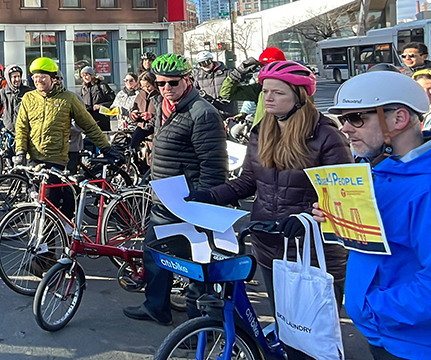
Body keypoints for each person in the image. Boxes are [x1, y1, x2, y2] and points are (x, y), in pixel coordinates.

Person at [186, 62, 350, 356]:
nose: (268, 98)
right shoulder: (262, 130)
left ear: (300, 95)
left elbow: (342, 194)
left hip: (311, 251)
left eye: (278, 92)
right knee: (286, 328)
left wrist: (305, 217)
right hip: (268, 244)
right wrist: (209, 195)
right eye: (265, 91)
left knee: (314, 337)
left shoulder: (326, 136)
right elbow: (248, 182)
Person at [308, 71, 431, 360]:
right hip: (384, 333)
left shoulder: (424, 188)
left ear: (399, 119)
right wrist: (338, 222)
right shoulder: (378, 170)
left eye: (357, 118)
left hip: (413, 343)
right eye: (343, 119)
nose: (346, 128)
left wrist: (374, 307)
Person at [124, 53, 227, 326]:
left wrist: (202, 202)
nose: (166, 88)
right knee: (154, 255)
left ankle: (198, 327)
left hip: (189, 201)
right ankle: (156, 307)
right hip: (164, 196)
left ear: (187, 80)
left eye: (173, 82)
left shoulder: (202, 113)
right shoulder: (164, 107)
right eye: (160, 83)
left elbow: (214, 166)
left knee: (194, 265)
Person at [15, 58, 119, 218]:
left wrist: (106, 148)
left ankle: (53, 238)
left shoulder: (68, 98)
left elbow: (89, 125)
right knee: (38, 202)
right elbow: (21, 127)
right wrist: (20, 151)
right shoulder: (29, 98)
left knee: (51, 201)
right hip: (34, 159)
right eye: (34, 77)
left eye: (42, 76)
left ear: (53, 78)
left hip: (56, 159)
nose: (38, 80)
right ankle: (47, 237)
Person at [220, 47, 287, 128]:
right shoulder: (259, 89)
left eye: (270, 66)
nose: (267, 71)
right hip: (263, 134)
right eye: (263, 66)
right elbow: (226, 94)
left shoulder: (293, 87)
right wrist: (237, 74)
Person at [0, 64, 32, 134]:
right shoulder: (3, 92)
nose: (17, 79)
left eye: (19, 76)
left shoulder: (28, 92)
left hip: (25, 131)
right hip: (8, 131)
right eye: (14, 77)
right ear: (8, 78)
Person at [193, 51, 236, 117]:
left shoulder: (226, 72)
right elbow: (195, 92)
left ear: (212, 60)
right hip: (210, 111)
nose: (206, 65)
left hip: (228, 110)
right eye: (202, 63)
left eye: (208, 62)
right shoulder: (198, 77)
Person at [76, 66, 115, 132]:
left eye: (86, 75)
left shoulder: (101, 85)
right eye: (83, 76)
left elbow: (112, 100)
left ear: (92, 75)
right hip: (88, 120)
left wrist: (101, 106)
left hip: (101, 119)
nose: (85, 78)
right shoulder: (83, 88)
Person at [129, 72, 160, 150]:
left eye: (148, 86)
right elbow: (134, 109)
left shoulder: (160, 96)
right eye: (143, 87)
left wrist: (151, 116)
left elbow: (164, 114)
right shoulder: (140, 95)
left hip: (155, 131)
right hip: (141, 128)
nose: (146, 89)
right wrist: (134, 115)